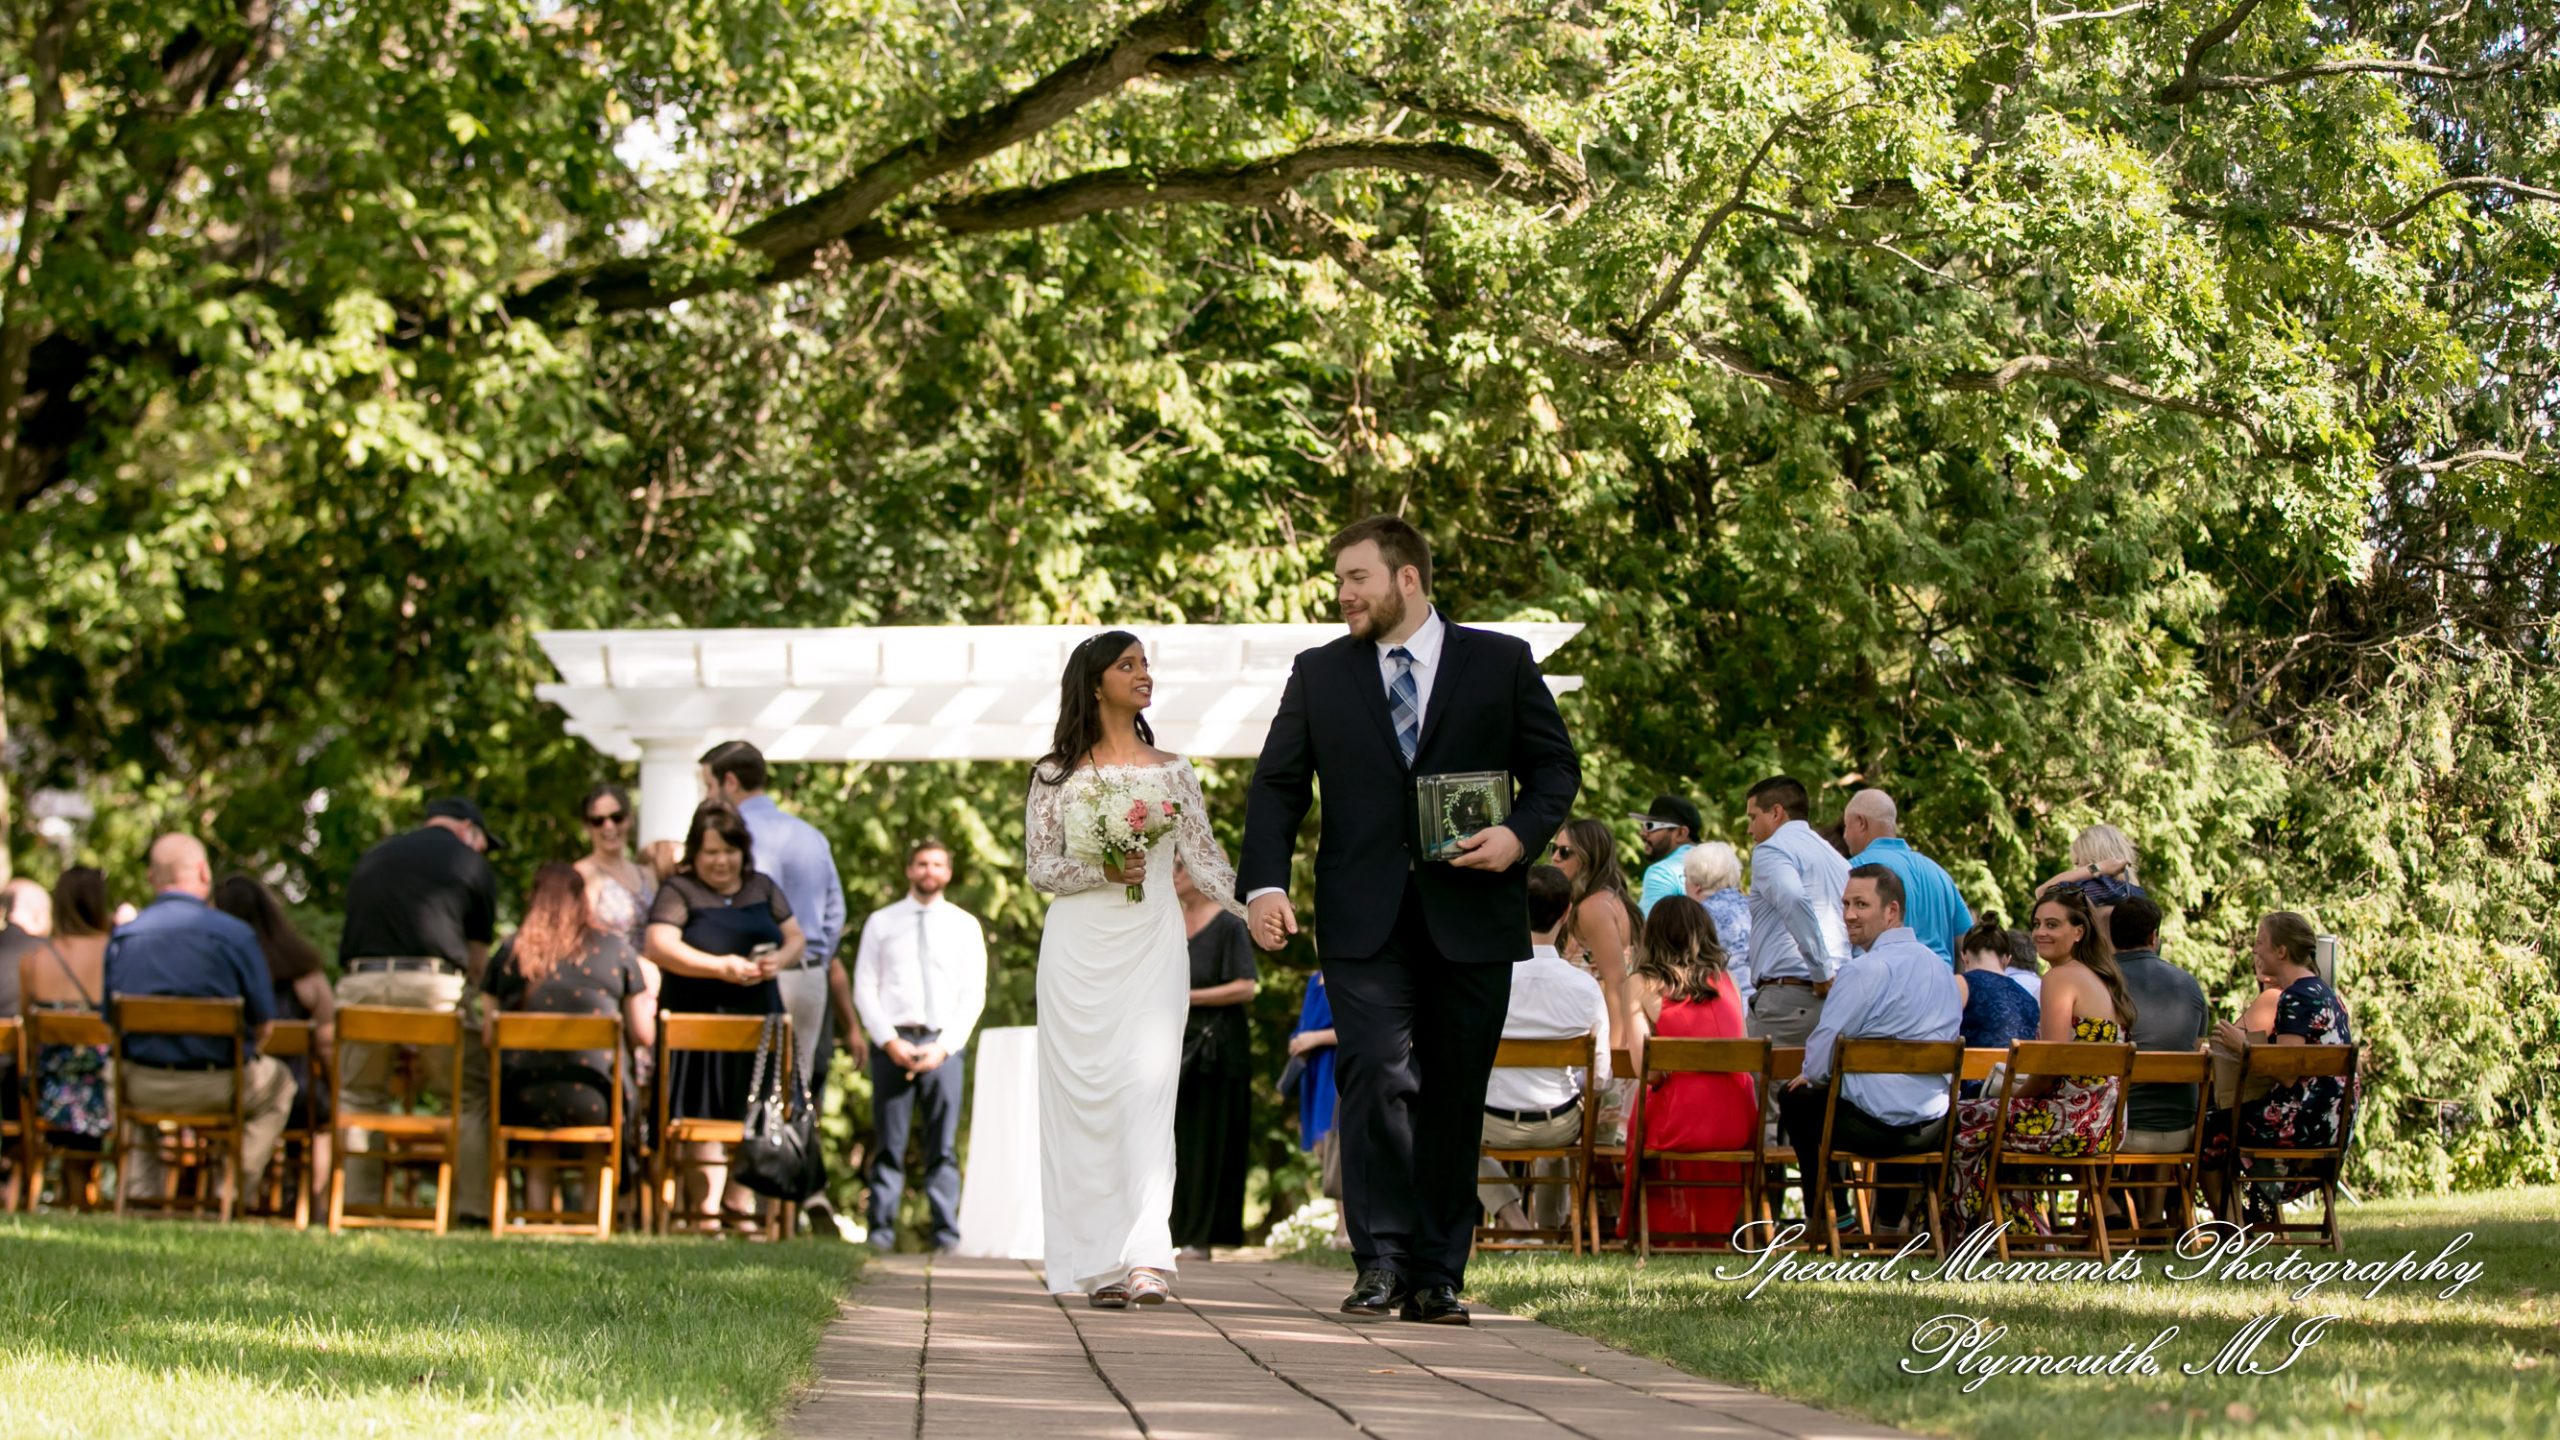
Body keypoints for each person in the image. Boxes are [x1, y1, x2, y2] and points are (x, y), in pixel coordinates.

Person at [1241, 515, 1580, 1327]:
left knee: (1456, 1091)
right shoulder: (1320, 673)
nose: (1343, 593)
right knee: (1377, 1079)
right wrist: (1263, 886)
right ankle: (1380, 1262)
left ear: (1407, 579)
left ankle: (1438, 1274)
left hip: (1472, 913)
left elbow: (1554, 767)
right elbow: (1279, 786)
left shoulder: (1499, 662)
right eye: (1340, 579)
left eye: (1356, 577)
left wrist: (1518, 836)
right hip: (1363, 920)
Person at [1026, 630, 1246, 1308]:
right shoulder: (1054, 774)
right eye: (1129, 665)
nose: (1144, 674)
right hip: (1076, 949)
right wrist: (1100, 868)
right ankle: (1098, 1265)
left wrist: (1256, 905)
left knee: (1147, 1094)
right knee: (1084, 1101)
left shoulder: (1174, 770)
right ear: (1096, 684)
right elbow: (1039, 867)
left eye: (1146, 663)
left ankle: (1148, 1256)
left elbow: (1205, 860)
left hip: (1152, 941)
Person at [107, 835, 299, 1205]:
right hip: (220, 1085)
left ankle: (140, 1192)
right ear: (203, 871)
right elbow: (264, 1026)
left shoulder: (124, 938)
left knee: (109, 1075)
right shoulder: (235, 936)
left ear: (152, 878)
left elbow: (110, 1024)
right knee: (282, 1085)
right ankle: (230, 1189)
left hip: (140, 1086)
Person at [335, 796, 500, 1216]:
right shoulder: (468, 861)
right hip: (433, 986)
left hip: (362, 983)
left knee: (358, 1095)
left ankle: (356, 1206)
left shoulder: (376, 854)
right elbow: (478, 959)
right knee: (466, 1097)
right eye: (483, 843)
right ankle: (471, 1210)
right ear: (469, 830)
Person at [700, 741, 850, 1202]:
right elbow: (835, 914)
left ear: (729, 781)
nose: (705, 796)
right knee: (794, 1087)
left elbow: (741, 909)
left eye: (707, 785)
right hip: (807, 975)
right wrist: (814, 963)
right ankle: (791, 1203)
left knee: (744, 1085)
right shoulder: (809, 835)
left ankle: (740, 1202)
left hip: (753, 973)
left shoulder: (730, 836)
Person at [646, 800, 804, 1231]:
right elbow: (658, 944)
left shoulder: (762, 887)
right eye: (711, 852)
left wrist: (778, 961)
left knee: (750, 1108)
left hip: (757, 1018)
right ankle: (706, 1213)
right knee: (703, 1109)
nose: (721, 861)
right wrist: (720, 967)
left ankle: (740, 1206)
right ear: (696, 853)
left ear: (743, 850)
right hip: (697, 1021)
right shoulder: (679, 891)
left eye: (729, 851)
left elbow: (795, 938)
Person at [1778, 867, 1964, 1232]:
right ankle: (1889, 1222)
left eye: (1861, 904)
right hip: (1933, 1126)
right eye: (1846, 903)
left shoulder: (1864, 971)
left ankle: (1835, 1217)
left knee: (1796, 1098)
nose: (1848, 914)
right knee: (1895, 1097)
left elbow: (1822, 1051)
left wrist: (1813, 1074)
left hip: (1875, 1130)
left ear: (1891, 911)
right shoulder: (1941, 970)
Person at [1945, 889, 2135, 1237]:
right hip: (2103, 1125)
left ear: (2079, 931)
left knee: (1961, 1118)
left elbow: (2050, 1065)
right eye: (2036, 924)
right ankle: (2013, 1231)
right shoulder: (2102, 978)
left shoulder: (2060, 978)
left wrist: (2011, 1097)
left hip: (2069, 1122)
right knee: (1989, 1122)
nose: (2040, 932)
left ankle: (1963, 1232)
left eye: (2052, 924)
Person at [481, 863, 654, 1220]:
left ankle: (537, 1219)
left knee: (539, 1140)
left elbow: (489, 1035)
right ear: (583, 900)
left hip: (522, 1099)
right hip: (597, 1098)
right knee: (598, 1115)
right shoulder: (615, 950)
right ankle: (594, 1219)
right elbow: (642, 1034)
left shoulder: (510, 953)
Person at [850, 838, 988, 1255]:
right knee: (888, 1145)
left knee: (941, 1146)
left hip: (943, 1043)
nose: (929, 871)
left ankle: (946, 1236)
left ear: (947, 873)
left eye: (937, 864)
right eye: (922, 864)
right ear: (909, 870)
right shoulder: (881, 922)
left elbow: (973, 993)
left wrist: (944, 1047)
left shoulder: (964, 925)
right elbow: (864, 987)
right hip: (893, 1040)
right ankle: (880, 1235)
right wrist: (887, 1040)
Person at [2202, 911, 2355, 1227]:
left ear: (2281, 951)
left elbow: (2286, 1071)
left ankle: (2232, 1227)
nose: (2255, 951)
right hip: (2334, 1126)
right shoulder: (2327, 994)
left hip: (2300, 1126)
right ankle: (2250, 1218)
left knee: (2206, 1132)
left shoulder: (2294, 998)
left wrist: (2241, 1045)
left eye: (2260, 943)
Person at [1617, 893, 1753, 1241]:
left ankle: (1657, 1230)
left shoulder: (1640, 984)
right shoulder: (1729, 982)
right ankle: (1712, 1229)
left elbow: (1645, 1071)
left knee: (1644, 1107)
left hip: (1682, 1124)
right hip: (1737, 1124)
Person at [1478, 866, 1607, 1232]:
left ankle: (1517, 1224)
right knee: (1562, 1120)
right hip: (1560, 1124)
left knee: (1452, 1130)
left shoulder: (1490, 980)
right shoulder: (1585, 988)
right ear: (1567, 913)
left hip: (1493, 1121)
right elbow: (1601, 1075)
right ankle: (1549, 1231)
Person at [213, 874, 337, 1202]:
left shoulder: (217, 969)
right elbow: (328, 1040)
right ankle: (314, 1202)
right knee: (323, 1117)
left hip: (227, 1085)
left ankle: (231, 1192)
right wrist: (337, 1086)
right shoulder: (302, 972)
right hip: (299, 1097)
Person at [1173, 857, 1259, 1257]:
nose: (1173, 875)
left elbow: (1246, 987)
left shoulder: (1229, 923)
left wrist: (1186, 997)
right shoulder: (1168, 921)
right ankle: (1173, 1231)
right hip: (1177, 1045)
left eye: (1180, 867)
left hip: (1219, 1049)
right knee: (1178, 1140)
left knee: (1210, 1141)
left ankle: (1203, 1237)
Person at [20, 868, 113, 1203]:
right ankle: (84, 1192)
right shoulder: (115, 953)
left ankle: (70, 1190)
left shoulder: (34, 961)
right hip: (108, 1090)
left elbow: (30, 1036)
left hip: (51, 1091)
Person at [1742, 776, 1850, 1046]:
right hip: (1838, 996)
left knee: (1771, 1087)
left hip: (1788, 1001)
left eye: (1753, 817)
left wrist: (1821, 970)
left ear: (1776, 812)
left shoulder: (1770, 850)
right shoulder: (1836, 858)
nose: (1749, 828)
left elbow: (1792, 897)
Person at [1549, 817, 1637, 1142]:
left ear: (1588, 857)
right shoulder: (1603, 900)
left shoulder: (1593, 907)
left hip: (1604, 1045)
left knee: (1597, 1153)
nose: (1555, 858)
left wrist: (1615, 1050)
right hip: (1595, 1040)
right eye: (1553, 849)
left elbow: (1616, 981)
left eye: (1565, 852)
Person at [2109, 896, 2209, 1154]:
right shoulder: (2189, 984)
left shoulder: (2100, 982)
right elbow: (2195, 1049)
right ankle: (2152, 1197)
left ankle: (2107, 1196)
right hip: (2182, 1130)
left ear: (2110, 938)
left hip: (2117, 1130)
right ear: (2154, 937)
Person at [1842, 789, 1973, 965]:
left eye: (1846, 826)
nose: (1844, 836)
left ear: (1861, 823)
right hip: (1939, 983)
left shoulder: (1853, 872)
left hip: (1879, 984)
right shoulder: (1940, 874)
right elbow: (1967, 942)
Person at [1284, 971, 1345, 1247]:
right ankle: (1340, 1226)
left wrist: (1313, 1039)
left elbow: (1352, 1026)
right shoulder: (1314, 980)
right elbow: (1304, 1023)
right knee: (1323, 1148)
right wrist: (1298, 1040)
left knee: (1336, 1146)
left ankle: (1346, 1229)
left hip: (1334, 1068)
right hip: (1313, 1070)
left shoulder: (1344, 976)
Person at [1954, 916, 2040, 1094]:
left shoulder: (1961, 984)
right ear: (2007, 959)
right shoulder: (2029, 999)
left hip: (1971, 1100)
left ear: (1964, 956)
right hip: (2014, 1100)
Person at [574, 783, 658, 951]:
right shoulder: (581, 873)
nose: (609, 826)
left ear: (630, 818)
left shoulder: (647, 874)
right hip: (607, 973)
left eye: (617, 817)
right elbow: (581, 932)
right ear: (587, 826)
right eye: (598, 821)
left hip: (652, 973)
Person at [2034, 822, 2146, 926]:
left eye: (2078, 863)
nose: (2077, 870)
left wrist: (2097, 868)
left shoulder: (2095, 889)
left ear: (2092, 857)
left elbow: (2043, 893)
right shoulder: (2133, 892)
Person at [1628, 794, 1701, 917]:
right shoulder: (1721, 866)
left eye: (1650, 826)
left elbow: (1650, 930)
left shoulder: (1661, 872)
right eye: (1644, 825)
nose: (1642, 833)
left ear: (1681, 833)